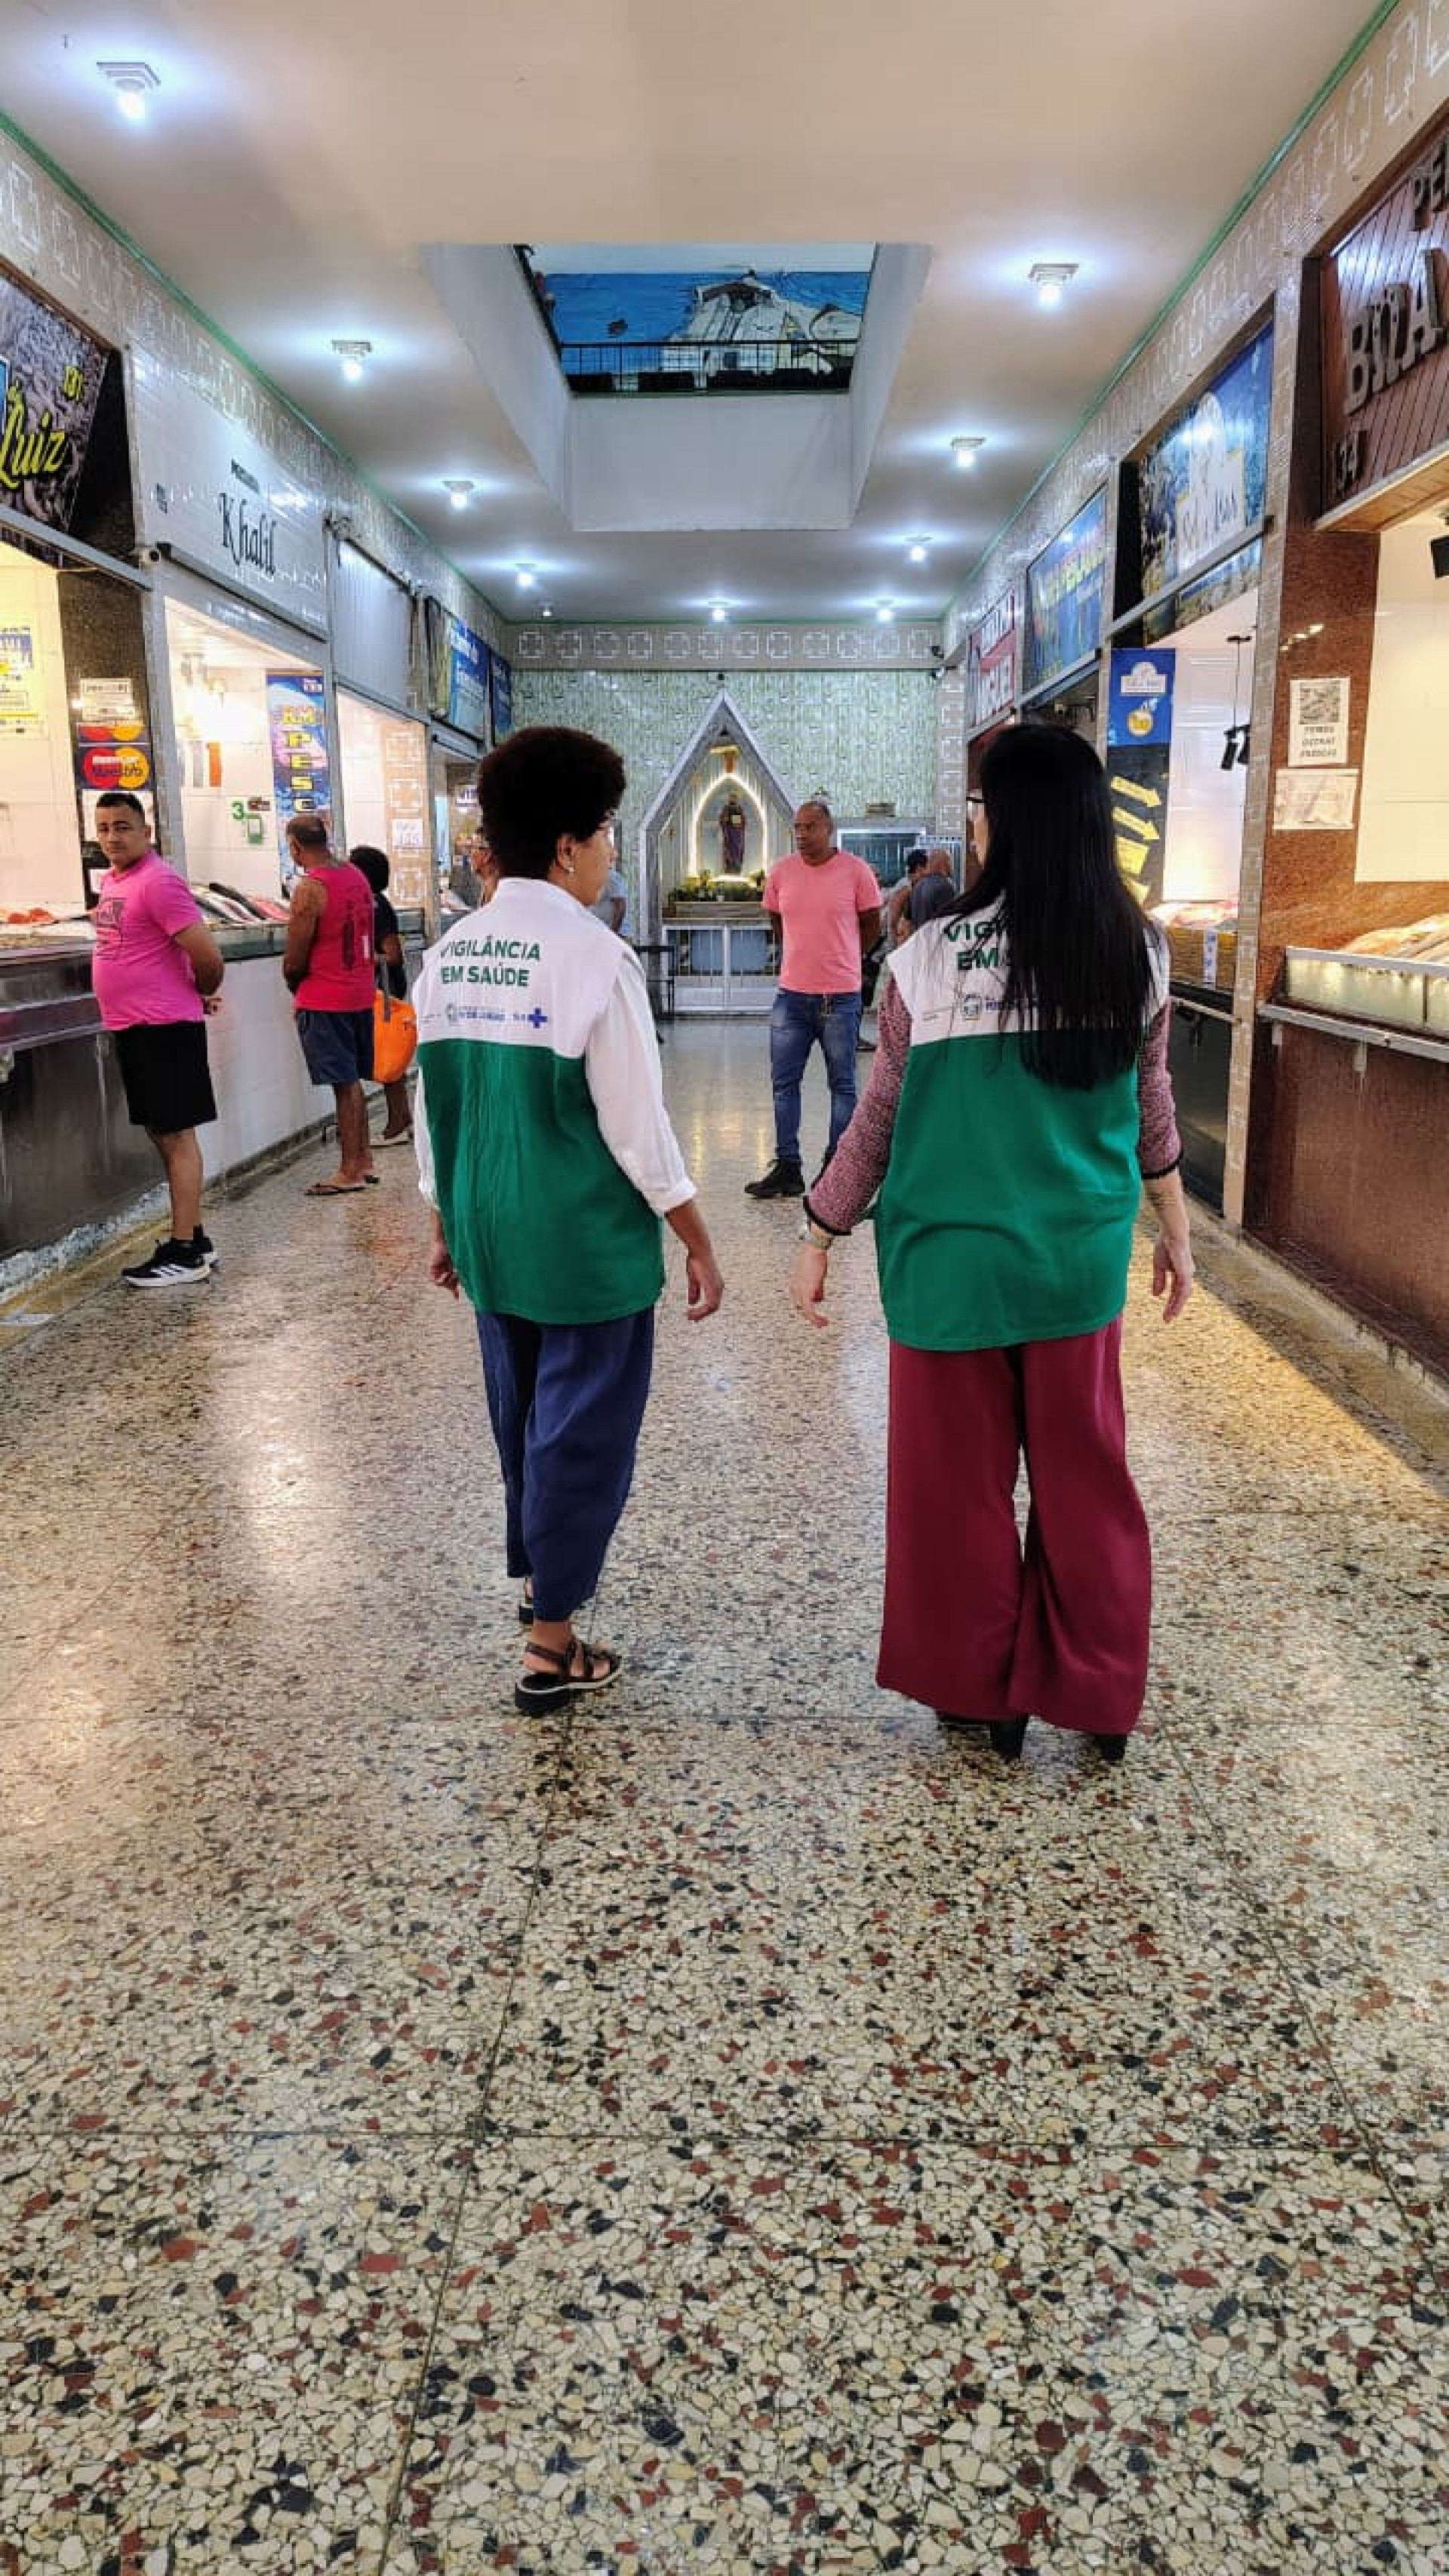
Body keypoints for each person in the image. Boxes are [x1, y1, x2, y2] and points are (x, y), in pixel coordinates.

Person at [788, 724, 1194, 1766]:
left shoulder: (925, 956)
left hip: (948, 1268)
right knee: (1086, 1479)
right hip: (1075, 1266)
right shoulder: (1136, 953)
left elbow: (877, 1117)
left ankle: (982, 1695)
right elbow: (1152, 1113)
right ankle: (1100, 1693)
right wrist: (1179, 1236)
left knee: (955, 1492)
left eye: (978, 808)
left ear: (1001, 821)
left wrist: (822, 1226)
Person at [413, 725, 724, 1713]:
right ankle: (552, 1645)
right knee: (580, 1433)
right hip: (583, 1246)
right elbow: (638, 1129)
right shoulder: (595, 957)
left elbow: (436, 1111)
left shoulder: (452, 954)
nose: (611, 853)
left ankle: (540, 1580)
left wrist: (442, 1224)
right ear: (562, 846)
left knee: (524, 1418)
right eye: (604, 834)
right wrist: (699, 1241)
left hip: (491, 1234)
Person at [90, 789, 225, 1288]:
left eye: (122, 826)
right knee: (163, 1134)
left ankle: (185, 1250)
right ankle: (195, 1237)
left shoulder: (159, 882)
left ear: (146, 831)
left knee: (176, 1136)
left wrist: (199, 994)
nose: (111, 837)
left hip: (164, 1026)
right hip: (136, 1027)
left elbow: (208, 956)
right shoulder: (114, 880)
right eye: (103, 827)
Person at [745, 800, 881, 1198]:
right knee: (783, 1083)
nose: (802, 834)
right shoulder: (782, 872)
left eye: (810, 827)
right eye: (797, 828)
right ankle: (788, 1167)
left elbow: (871, 923)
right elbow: (775, 917)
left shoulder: (855, 872)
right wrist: (799, 954)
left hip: (839, 998)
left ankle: (837, 1168)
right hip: (791, 996)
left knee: (842, 1084)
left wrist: (844, 958)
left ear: (829, 828)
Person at [281, 814, 377, 1196]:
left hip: (325, 997)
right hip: (358, 993)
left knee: (344, 1083)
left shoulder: (310, 888)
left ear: (295, 847)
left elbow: (295, 955)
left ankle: (350, 1168)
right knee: (352, 1080)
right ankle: (365, 1159)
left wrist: (294, 986)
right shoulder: (356, 875)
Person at [350, 845, 414, 1146]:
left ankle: (397, 1121)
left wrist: (361, 958)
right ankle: (399, 1118)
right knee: (390, 1056)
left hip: (384, 993)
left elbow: (394, 955)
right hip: (384, 991)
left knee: (387, 1056)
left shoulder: (375, 907)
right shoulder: (375, 903)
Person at [909, 845, 958, 930]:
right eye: (949, 861)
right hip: (936, 939)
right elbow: (947, 920)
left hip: (920, 938)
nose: (951, 866)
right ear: (943, 864)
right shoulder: (944, 886)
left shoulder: (918, 885)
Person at [887, 851, 928, 946]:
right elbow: (893, 921)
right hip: (899, 943)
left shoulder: (916, 886)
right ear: (919, 868)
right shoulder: (906, 887)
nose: (929, 872)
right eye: (927, 867)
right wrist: (896, 947)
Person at [592, 860, 629, 935]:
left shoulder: (609, 876)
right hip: (598, 933)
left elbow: (621, 905)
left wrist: (613, 933)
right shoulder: (589, 878)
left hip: (615, 934)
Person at [718, 795, 747, 873]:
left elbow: (743, 822)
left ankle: (737, 867)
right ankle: (728, 867)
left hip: (737, 835)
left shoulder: (739, 809)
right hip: (729, 834)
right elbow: (722, 820)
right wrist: (725, 819)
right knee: (728, 851)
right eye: (731, 798)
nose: (733, 800)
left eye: (734, 798)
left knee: (737, 851)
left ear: (737, 800)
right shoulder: (726, 808)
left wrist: (738, 822)